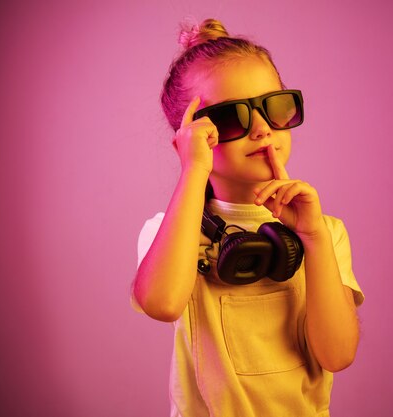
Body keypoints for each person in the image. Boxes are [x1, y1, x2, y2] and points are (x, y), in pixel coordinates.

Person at [131, 18, 364, 417]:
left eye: (275, 108)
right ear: (190, 135)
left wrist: (313, 238)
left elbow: (338, 354)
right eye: (230, 117)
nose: (261, 129)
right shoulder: (170, 233)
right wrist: (192, 172)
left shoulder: (325, 233)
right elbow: (162, 303)